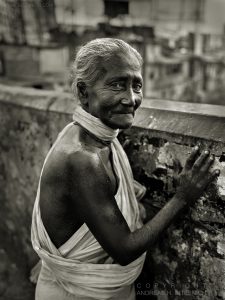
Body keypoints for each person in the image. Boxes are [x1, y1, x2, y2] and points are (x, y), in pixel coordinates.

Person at [31, 38, 220, 300]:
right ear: (84, 93)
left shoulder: (96, 136)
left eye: (137, 85)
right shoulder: (82, 159)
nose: (131, 99)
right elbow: (124, 250)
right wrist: (182, 197)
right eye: (117, 84)